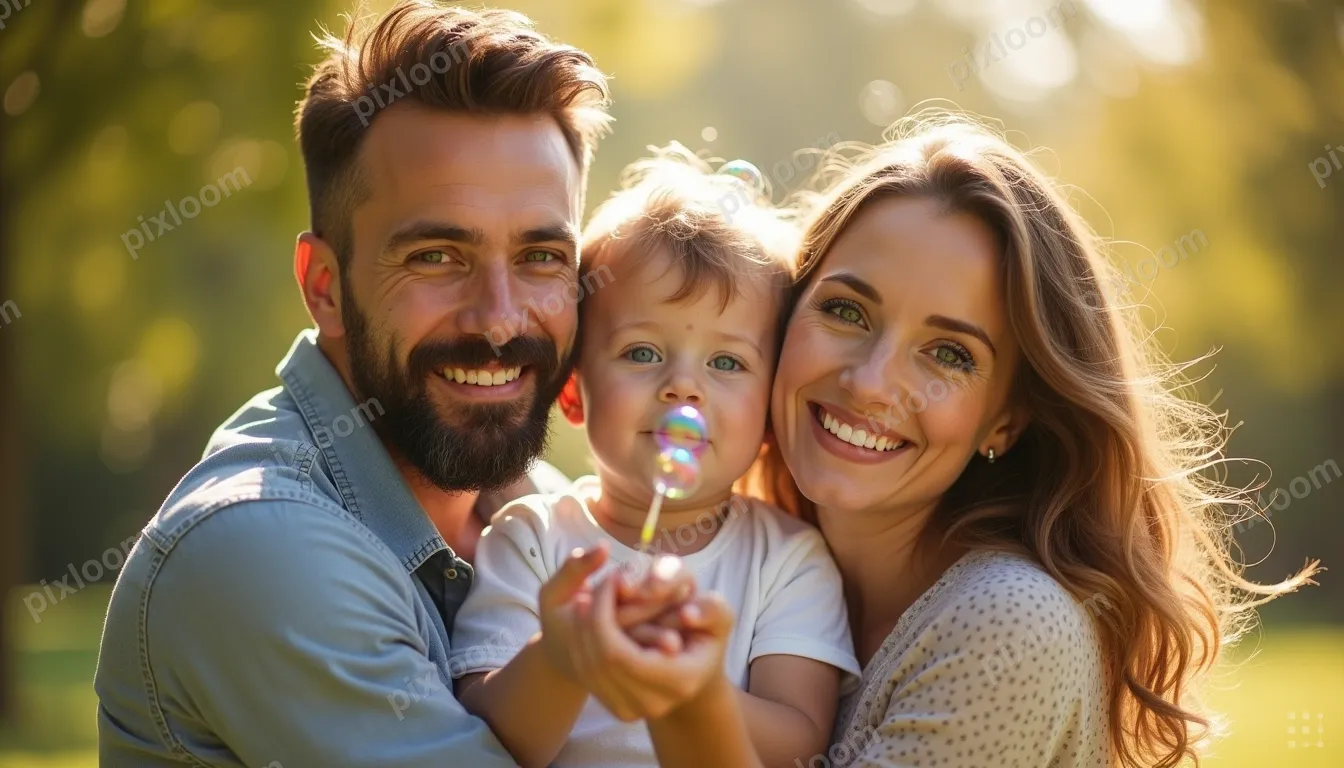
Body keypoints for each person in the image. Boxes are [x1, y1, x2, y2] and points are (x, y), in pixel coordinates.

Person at [589, 113, 1318, 768]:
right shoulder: (753, 558)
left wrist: (686, 704)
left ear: (1007, 419)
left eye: (950, 354)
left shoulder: (1005, 621)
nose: (872, 383)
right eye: (846, 310)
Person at [94, 5, 699, 765]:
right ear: (324, 286)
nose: (500, 321)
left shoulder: (533, 507)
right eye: (437, 257)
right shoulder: (260, 547)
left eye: (541, 257)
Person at [448, 144, 860, 768]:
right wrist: (564, 657)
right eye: (642, 352)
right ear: (572, 391)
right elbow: (484, 739)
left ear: (771, 416)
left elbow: (799, 743)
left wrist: (686, 687)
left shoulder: (788, 561)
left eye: (727, 363)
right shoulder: (531, 539)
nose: (683, 387)